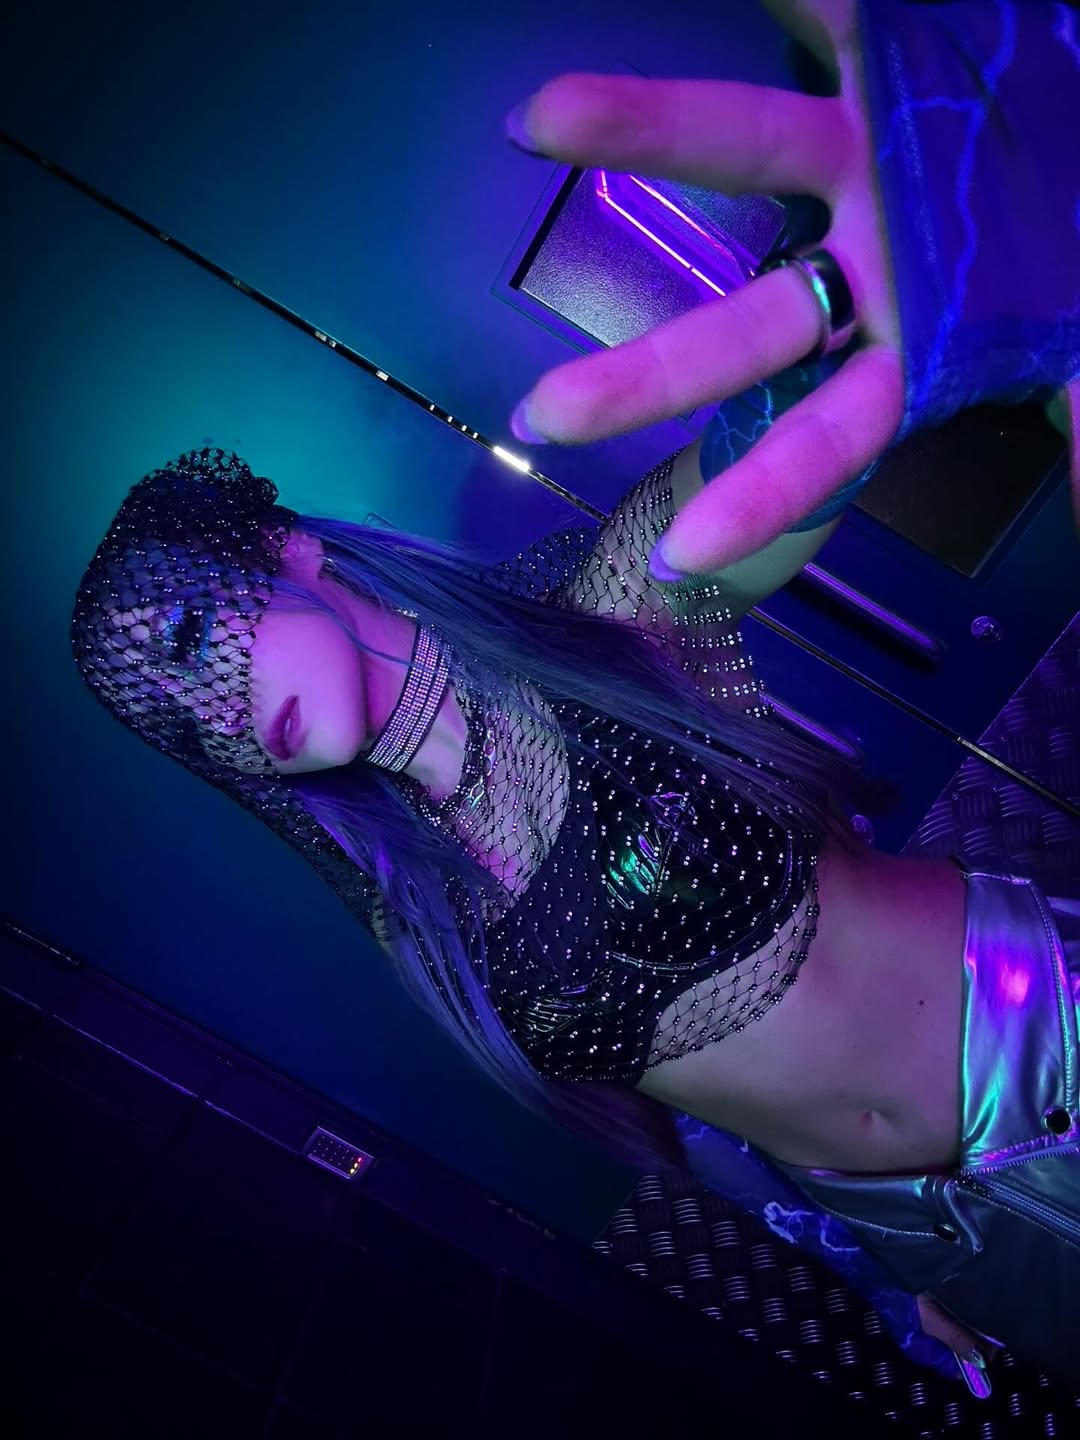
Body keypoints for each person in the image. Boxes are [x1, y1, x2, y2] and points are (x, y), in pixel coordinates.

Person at [69, 0, 1080, 1403]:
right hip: (929, 1227)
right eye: (182, 718)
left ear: (284, 551)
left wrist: (888, 304)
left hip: (1040, 1033)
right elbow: (701, 1117)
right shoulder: (415, 906)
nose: (219, 708)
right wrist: (890, 1267)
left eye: (195, 632)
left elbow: (769, 467)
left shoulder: (597, 615)